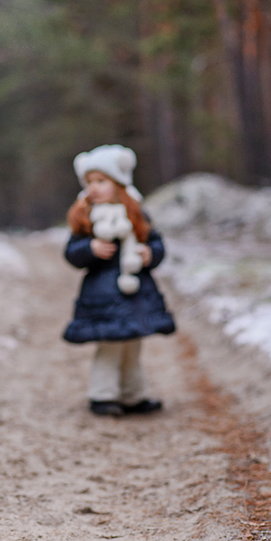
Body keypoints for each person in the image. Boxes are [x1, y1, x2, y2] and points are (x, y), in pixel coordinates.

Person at [63, 144, 175, 416]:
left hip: (134, 294)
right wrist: (90, 248)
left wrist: (150, 254)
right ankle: (102, 395)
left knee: (132, 346)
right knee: (109, 346)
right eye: (90, 182)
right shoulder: (87, 217)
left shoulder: (136, 214)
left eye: (101, 181)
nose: (94, 187)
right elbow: (71, 252)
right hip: (102, 296)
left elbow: (156, 243)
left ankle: (133, 395)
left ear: (119, 183)